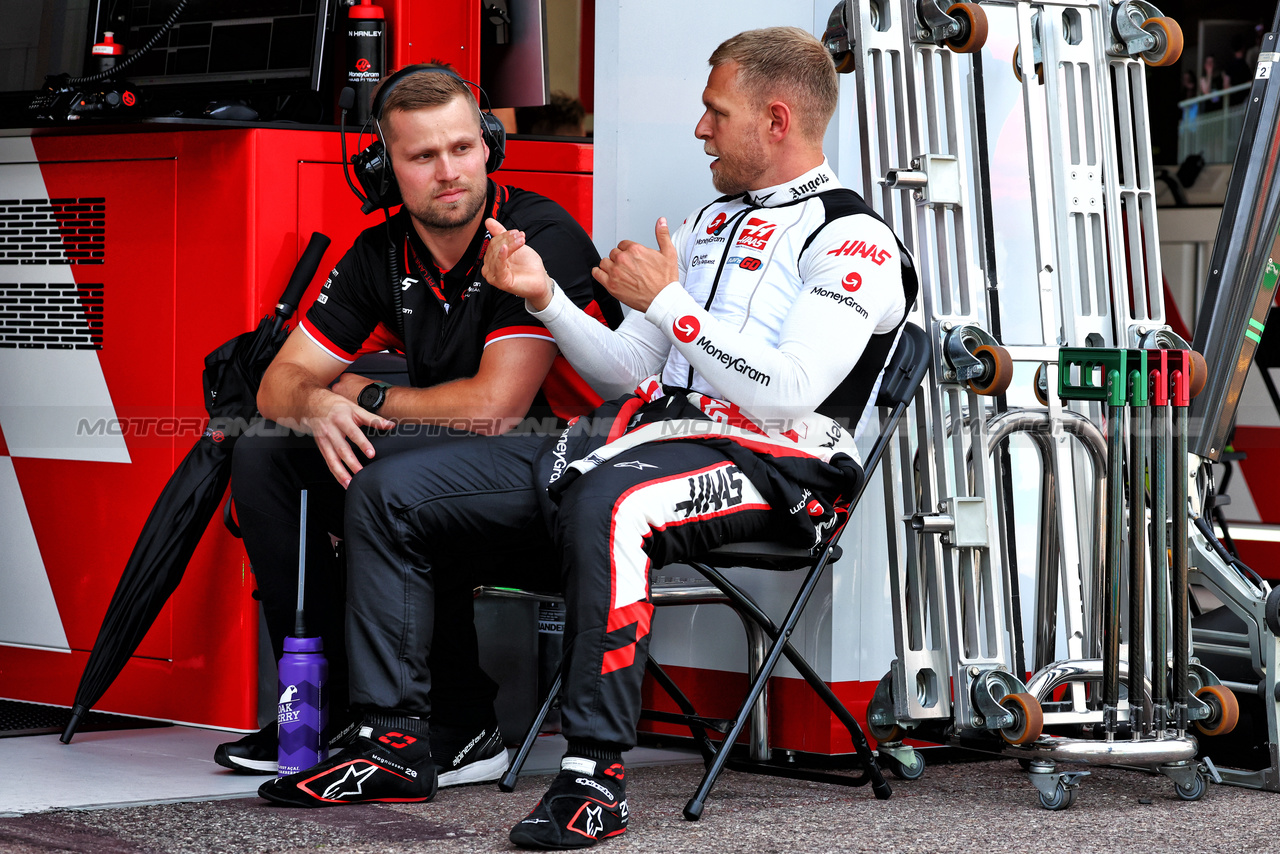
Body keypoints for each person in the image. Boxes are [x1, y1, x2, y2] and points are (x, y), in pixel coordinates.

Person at [258, 27, 916, 849]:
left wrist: (672, 301)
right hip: (647, 437)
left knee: (611, 501)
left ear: (776, 119)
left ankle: (593, 776)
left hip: (784, 470)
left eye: (715, 112)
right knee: (393, 488)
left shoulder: (854, 239)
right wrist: (544, 299)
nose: (701, 128)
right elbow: (626, 371)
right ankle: (394, 739)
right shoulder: (712, 220)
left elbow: (788, 394)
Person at [215, 64, 621, 787]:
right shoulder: (381, 252)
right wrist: (315, 403)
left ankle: (452, 726)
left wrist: (362, 396)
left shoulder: (534, 236)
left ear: (489, 147)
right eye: (422, 156)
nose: (449, 172)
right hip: (462, 475)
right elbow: (279, 380)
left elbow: (493, 407)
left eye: (462, 149)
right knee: (268, 455)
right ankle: (329, 704)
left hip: (568, 484)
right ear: (384, 166)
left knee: (393, 477)